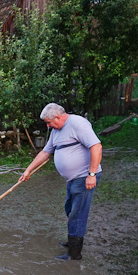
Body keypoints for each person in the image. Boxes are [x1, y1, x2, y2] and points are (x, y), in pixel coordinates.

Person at [19, 103, 102, 261]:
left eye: (49, 122)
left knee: (77, 214)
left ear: (58, 117)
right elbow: (46, 152)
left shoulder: (77, 123)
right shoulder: (56, 131)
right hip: (72, 179)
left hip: (84, 177)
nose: (48, 126)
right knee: (70, 209)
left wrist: (91, 174)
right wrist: (28, 170)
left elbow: (96, 147)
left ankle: (74, 253)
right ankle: (73, 241)